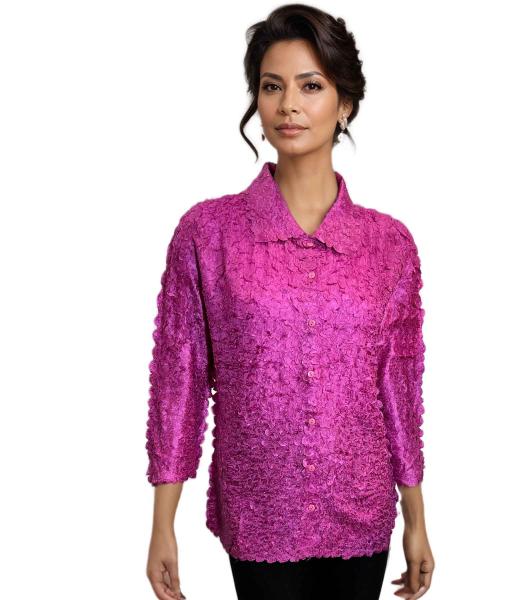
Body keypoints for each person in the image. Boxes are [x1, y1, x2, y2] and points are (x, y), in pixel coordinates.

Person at [145, 4, 435, 600]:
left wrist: (417, 518)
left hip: (362, 510)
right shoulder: (208, 234)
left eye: (311, 86)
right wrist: (161, 523)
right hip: (258, 511)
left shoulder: (389, 244)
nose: (288, 106)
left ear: (345, 103)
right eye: (272, 87)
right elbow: (180, 378)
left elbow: (399, 386)